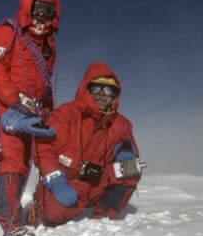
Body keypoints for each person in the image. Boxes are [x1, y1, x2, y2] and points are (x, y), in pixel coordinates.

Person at [32, 61, 143, 226]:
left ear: (115, 94)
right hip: (66, 184)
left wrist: (126, 153)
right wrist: (56, 182)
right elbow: (44, 149)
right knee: (54, 213)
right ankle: (40, 211)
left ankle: (104, 213)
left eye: (108, 89)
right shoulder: (66, 114)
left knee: (131, 168)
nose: (101, 94)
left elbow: (130, 156)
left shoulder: (122, 125)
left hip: (98, 186)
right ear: (86, 88)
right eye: (95, 88)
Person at [0, 0, 60, 233]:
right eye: (37, 8)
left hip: (35, 112)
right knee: (13, 160)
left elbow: (46, 83)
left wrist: (49, 109)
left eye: (47, 9)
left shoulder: (47, 45)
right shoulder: (6, 33)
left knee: (29, 161)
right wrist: (16, 103)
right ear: (28, 7)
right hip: (9, 109)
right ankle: (9, 221)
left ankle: (0, 210)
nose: (42, 15)